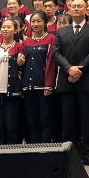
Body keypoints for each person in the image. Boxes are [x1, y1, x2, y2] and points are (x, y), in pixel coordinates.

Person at [53, 0, 89, 165]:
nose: (76, 9)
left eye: (79, 6)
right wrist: (69, 69)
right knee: (67, 121)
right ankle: (68, 156)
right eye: (73, 6)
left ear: (86, 9)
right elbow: (56, 53)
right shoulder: (61, 31)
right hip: (66, 80)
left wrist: (78, 70)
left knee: (87, 119)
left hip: (86, 80)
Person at [22, 11, 57, 143]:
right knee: (31, 120)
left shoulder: (51, 39)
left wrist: (49, 85)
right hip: (28, 86)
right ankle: (34, 148)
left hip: (43, 86)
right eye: (33, 21)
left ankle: (46, 148)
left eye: (39, 21)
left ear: (45, 23)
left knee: (45, 119)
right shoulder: (26, 42)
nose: (35, 24)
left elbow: (51, 63)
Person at [0, 19, 25, 145]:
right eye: (3, 27)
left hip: (12, 91)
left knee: (11, 126)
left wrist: (19, 64)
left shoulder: (19, 46)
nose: (5, 29)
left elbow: (22, 69)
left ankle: (12, 154)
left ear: (15, 30)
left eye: (9, 27)